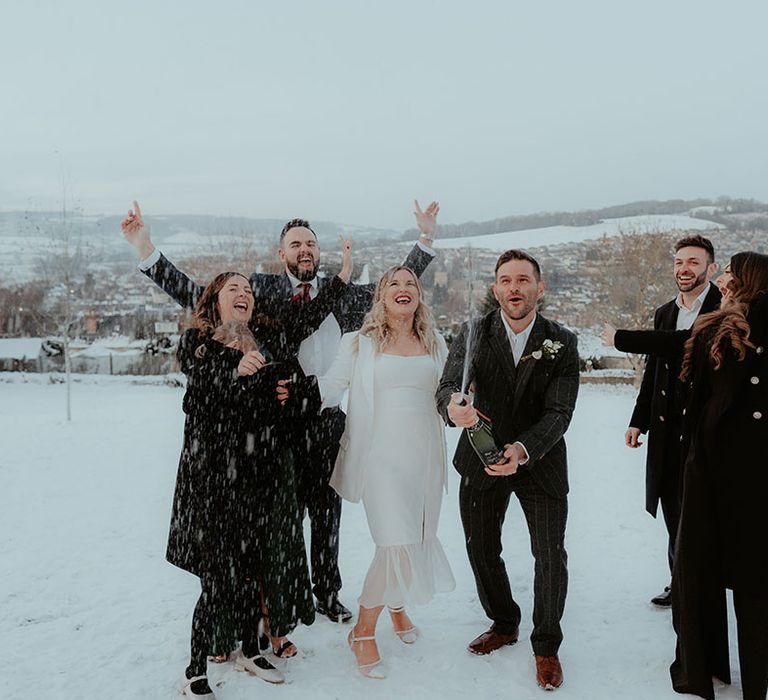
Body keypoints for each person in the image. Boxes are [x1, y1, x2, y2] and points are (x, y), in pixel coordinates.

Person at [122, 199, 439, 623]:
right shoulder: (261, 292)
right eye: (295, 243)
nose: (305, 249)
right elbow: (200, 297)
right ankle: (279, 606)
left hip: (328, 421)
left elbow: (396, 289)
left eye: (311, 242)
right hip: (279, 422)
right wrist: (147, 250)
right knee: (283, 519)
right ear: (281, 253)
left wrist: (425, 239)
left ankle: (328, 593)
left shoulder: (341, 295)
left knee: (327, 515)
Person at [167, 251, 353, 698]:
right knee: (217, 579)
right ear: (214, 302)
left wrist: (282, 389)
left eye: (248, 290)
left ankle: (251, 648)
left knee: (251, 570)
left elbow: (277, 401)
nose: (244, 294)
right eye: (234, 288)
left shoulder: (267, 343)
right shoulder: (200, 346)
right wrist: (234, 369)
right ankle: (195, 668)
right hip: (213, 483)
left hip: (258, 477)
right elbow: (198, 400)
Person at [603, 252, 768, 700]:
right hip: (711, 466)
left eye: (731, 270)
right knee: (703, 568)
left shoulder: (743, 323)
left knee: (748, 579)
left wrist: (619, 337)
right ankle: (716, 672)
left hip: (745, 472)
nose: (726, 277)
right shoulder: (715, 325)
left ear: (743, 280)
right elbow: (673, 345)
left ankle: (750, 682)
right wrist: (621, 338)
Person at [289, 266, 455, 679]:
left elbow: (448, 394)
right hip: (380, 456)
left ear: (419, 296)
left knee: (416, 534)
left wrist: (463, 409)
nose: (403, 289)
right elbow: (330, 386)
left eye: (410, 284)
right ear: (381, 296)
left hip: (426, 455)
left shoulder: (435, 342)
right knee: (394, 543)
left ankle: (397, 606)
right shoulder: (359, 342)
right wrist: (295, 393)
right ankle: (363, 633)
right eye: (393, 284)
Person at [436, 249, 579, 691]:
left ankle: (547, 645)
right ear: (495, 288)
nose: (514, 288)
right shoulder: (473, 332)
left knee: (549, 557)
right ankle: (504, 620)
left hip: (540, 461)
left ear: (540, 287)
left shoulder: (563, 340)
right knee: (481, 549)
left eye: (523, 279)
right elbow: (447, 388)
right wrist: (452, 409)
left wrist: (522, 449)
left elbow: (560, 411)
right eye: (505, 280)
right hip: (480, 460)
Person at [622, 234, 721, 607]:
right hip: (667, 430)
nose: (685, 269)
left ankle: (701, 588)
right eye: (680, 262)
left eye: (694, 262)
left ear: (711, 268)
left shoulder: (724, 307)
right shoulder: (665, 312)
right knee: (673, 510)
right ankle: (679, 581)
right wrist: (639, 420)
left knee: (702, 513)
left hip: (706, 430)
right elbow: (654, 372)